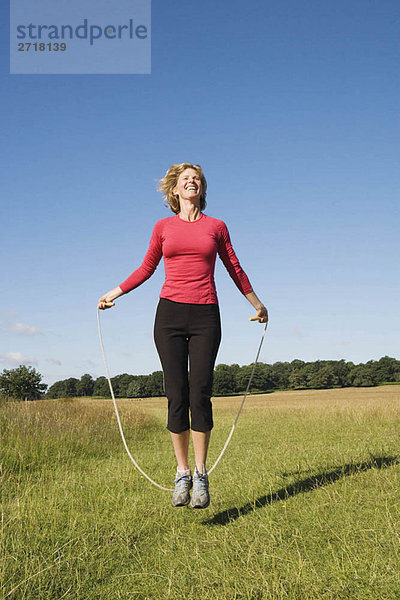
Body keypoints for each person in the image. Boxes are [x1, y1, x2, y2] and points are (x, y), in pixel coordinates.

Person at [98, 162, 268, 509]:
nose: (192, 182)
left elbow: (234, 267)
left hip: (206, 314)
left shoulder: (216, 227)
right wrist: (113, 293)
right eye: (185, 179)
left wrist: (258, 304)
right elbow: (147, 268)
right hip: (169, 316)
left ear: (201, 189)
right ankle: (182, 473)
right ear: (175, 190)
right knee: (176, 394)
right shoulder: (163, 227)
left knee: (200, 391)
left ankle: (202, 475)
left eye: (197, 179)